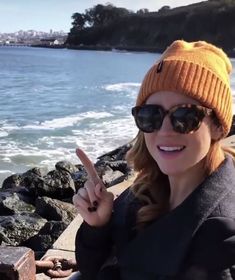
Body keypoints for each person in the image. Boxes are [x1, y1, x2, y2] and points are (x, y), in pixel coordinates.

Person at [72, 40, 235, 280]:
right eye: (151, 115)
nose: (166, 130)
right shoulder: (141, 193)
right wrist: (98, 226)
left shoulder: (222, 233)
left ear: (219, 128)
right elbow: (93, 271)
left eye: (186, 116)